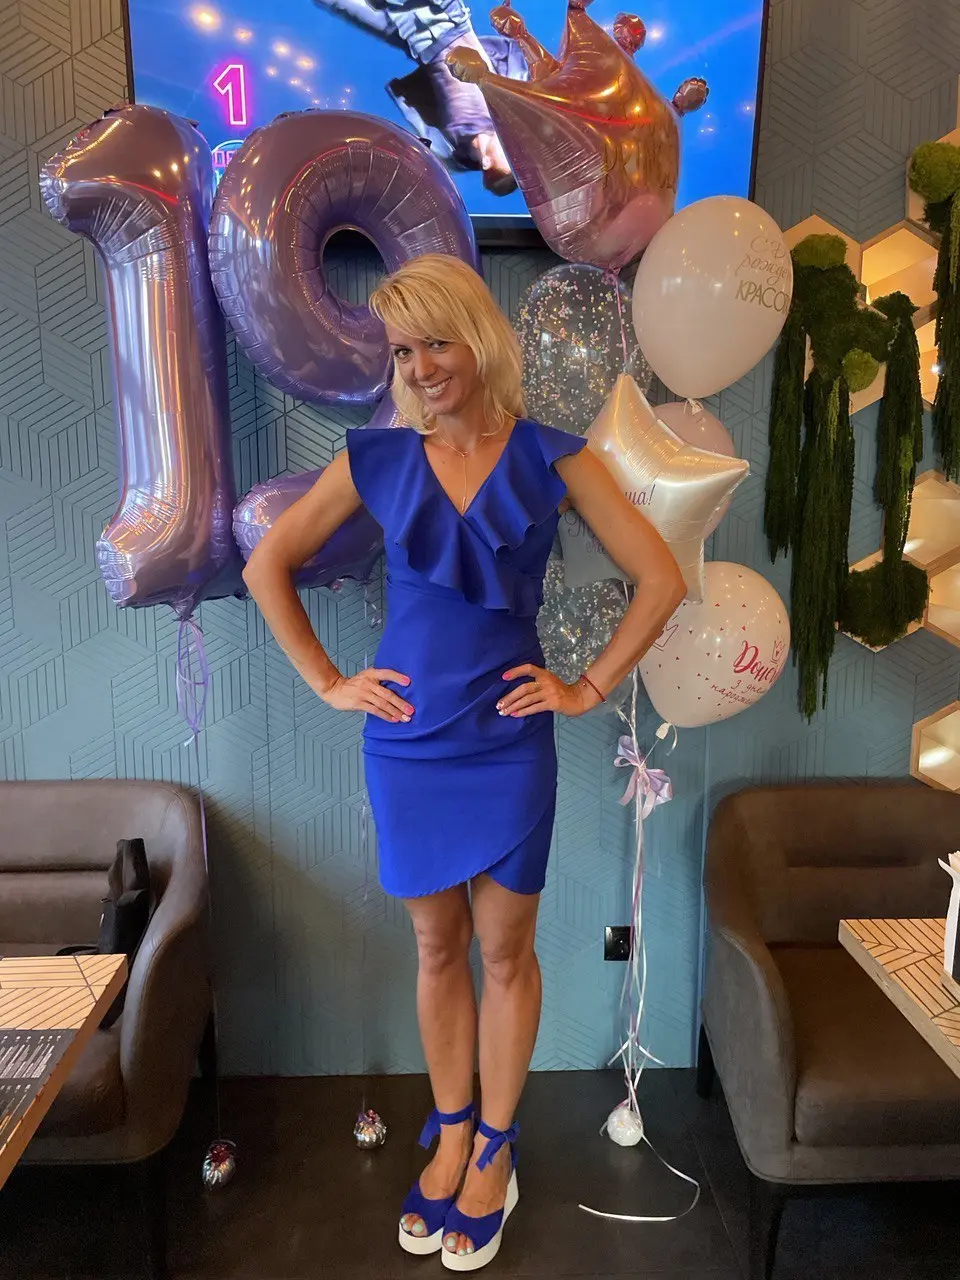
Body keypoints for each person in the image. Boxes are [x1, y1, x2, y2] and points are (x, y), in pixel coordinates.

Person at [241, 254, 685, 1271]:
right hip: (406, 743)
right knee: (436, 948)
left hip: (508, 742)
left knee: (503, 951)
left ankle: (495, 1147)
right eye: (403, 352)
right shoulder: (378, 459)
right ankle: (448, 1131)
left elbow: (660, 577)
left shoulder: (553, 457)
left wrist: (584, 685)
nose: (420, 367)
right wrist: (328, 680)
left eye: (434, 342)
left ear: (478, 336)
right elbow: (269, 561)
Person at [312, 0, 516, 193]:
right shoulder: (502, 112)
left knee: (341, 4)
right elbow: (513, 59)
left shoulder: (452, 151)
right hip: (443, 17)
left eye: (508, 158)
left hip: (417, 42)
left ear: (487, 162)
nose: (514, 152)